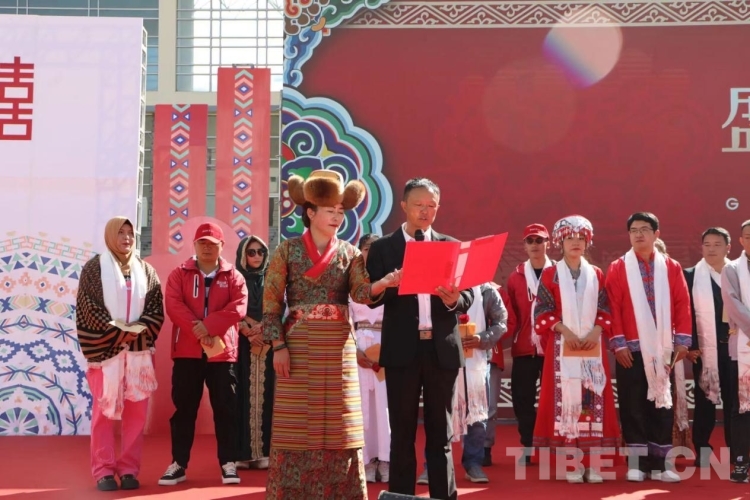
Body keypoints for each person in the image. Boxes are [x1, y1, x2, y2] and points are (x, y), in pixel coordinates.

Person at [262, 170, 401, 499]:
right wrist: (278, 345)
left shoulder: (349, 253)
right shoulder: (287, 250)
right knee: (296, 424)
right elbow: (271, 302)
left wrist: (383, 283)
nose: (337, 217)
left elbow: (361, 293)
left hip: (338, 346)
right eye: (330, 210)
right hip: (298, 345)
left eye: (341, 211)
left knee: (341, 424)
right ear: (310, 212)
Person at [367, 177, 474, 500]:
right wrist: (390, 284)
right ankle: (402, 496)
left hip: (441, 350)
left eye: (431, 206)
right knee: (402, 434)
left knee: (441, 434)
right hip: (402, 351)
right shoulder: (384, 248)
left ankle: (443, 496)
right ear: (404, 206)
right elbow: (369, 296)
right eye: (418, 205)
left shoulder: (450, 246)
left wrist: (455, 299)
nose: (425, 211)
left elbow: (468, 295)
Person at [77, 217, 164, 492]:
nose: (126, 238)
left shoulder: (146, 270)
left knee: (136, 415)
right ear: (110, 236)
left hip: (138, 353)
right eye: (121, 233)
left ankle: (128, 470)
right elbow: (88, 307)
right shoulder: (94, 268)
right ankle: (103, 471)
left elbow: (156, 307)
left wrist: (136, 330)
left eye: (130, 233)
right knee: (103, 413)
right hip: (107, 353)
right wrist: (118, 333)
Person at [159, 222, 248, 486]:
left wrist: (209, 326)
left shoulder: (234, 276)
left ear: (222, 246)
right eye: (202, 243)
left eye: (212, 243)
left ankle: (228, 463)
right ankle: (178, 464)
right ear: (195, 245)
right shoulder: (179, 273)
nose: (207, 248)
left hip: (222, 353)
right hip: (187, 352)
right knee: (184, 409)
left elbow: (239, 307)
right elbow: (173, 305)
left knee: (225, 409)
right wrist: (199, 330)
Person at [532, 215, 619, 483]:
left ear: (588, 242)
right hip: (562, 346)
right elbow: (542, 311)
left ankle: (592, 464)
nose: (576, 242)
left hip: (592, 346)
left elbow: (605, 309)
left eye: (581, 238)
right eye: (570, 238)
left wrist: (596, 331)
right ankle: (571, 464)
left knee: (592, 401)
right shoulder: (550, 274)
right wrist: (565, 331)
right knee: (565, 401)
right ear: (560, 242)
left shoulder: (597, 274)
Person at [605, 212, 691, 482]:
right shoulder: (618, 267)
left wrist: (682, 342)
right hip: (631, 349)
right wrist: (618, 344)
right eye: (633, 230)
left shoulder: (671, 267)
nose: (639, 234)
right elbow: (613, 306)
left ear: (657, 234)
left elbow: (682, 303)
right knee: (632, 405)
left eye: (644, 229)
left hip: (663, 349)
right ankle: (637, 464)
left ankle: (661, 465)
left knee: (662, 406)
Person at [418, 282, 508, 485]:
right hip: (441, 359)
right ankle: (433, 466)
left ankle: (473, 463)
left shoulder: (486, 290)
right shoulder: (439, 287)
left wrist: (482, 338)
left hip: (476, 361)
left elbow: (501, 321)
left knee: (477, 415)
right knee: (439, 414)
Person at [505, 223, 554, 464]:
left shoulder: (559, 273)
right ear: (524, 246)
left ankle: (551, 444)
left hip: (552, 347)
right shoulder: (515, 277)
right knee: (522, 399)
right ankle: (528, 444)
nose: (535, 245)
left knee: (552, 400)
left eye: (539, 240)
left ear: (548, 243)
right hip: (524, 348)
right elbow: (510, 314)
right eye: (530, 241)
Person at [685, 228, 733, 466]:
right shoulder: (691, 275)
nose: (711, 249)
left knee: (736, 401)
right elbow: (685, 314)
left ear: (728, 248)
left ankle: (738, 450)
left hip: (736, 349)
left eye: (717, 244)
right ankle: (702, 449)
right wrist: (691, 344)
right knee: (704, 402)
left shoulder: (740, 273)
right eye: (707, 244)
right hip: (704, 350)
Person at [350, 233, 391, 484]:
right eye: (366, 248)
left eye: (375, 248)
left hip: (387, 347)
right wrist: (353, 350)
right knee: (361, 406)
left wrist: (391, 348)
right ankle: (365, 461)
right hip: (358, 347)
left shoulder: (391, 280)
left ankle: (385, 459)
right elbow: (344, 318)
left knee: (384, 407)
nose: (371, 252)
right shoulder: (351, 281)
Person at [235, 235, 273, 470]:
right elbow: (228, 307)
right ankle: (244, 452)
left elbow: (281, 307)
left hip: (269, 343)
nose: (257, 256)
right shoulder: (235, 278)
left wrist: (265, 328)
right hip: (242, 344)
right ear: (243, 256)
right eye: (251, 252)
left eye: (261, 252)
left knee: (268, 394)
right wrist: (246, 330)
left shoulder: (273, 278)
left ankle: (265, 451)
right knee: (241, 395)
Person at [721, 219, 750, 482]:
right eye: (748, 236)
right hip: (741, 348)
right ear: (741, 240)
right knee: (742, 407)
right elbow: (732, 304)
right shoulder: (731, 269)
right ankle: (741, 462)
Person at [484, 283, 512, 466]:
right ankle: (469, 451)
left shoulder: (496, 291)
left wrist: (489, 336)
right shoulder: (455, 291)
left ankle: (485, 448)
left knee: (490, 406)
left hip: (491, 354)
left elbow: (508, 322)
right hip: (462, 355)